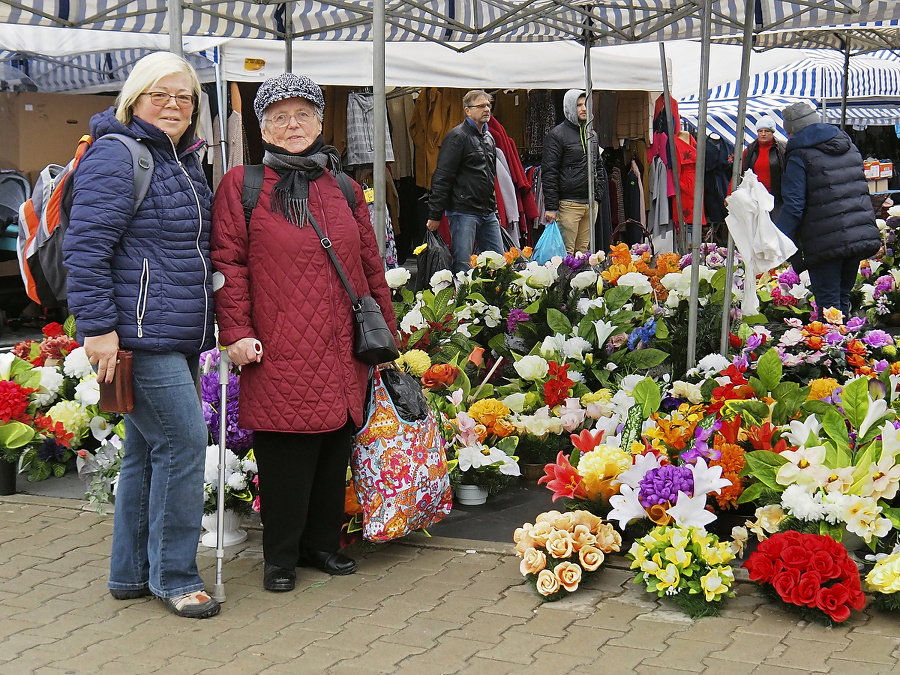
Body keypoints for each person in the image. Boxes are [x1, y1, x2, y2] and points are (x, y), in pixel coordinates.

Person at [210, 74, 396, 593]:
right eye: (279, 117)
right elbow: (229, 263)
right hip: (277, 345)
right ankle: (280, 558)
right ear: (263, 127)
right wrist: (236, 332)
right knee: (286, 454)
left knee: (334, 447)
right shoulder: (243, 185)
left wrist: (386, 330)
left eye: (303, 115)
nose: (292, 125)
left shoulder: (342, 186)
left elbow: (368, 262)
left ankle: (322, 546)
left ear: (319, 121)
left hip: (341, 346)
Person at [62, 52, 219, 619]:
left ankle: (130, 575)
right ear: (134, 99)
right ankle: (175, 576)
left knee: (146, 455)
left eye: (185, 97)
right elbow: (86, 250)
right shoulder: (117, 155)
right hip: (136, 336)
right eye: (162, 94)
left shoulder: (181, 161)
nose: (174, 105)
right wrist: (99, 329)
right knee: (183, 444)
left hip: (171, 331)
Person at [777, 100, 881, 316]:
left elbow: (794, 205)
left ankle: (835, 348)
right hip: (858, 232)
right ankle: (847, 347)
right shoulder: (848, 145)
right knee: (842, 298)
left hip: (824, 240)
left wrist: (779, 239)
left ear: (792, 131)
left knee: (829, 304)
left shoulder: (799, 154)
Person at [426, 89, 504, 273]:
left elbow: (490, 176)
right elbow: (443, 176)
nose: (486, 109)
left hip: (487, 211)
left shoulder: (488, 137)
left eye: (488, 105)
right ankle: (461, 300)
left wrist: (494, 208)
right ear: (467, 110)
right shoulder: (457, 137)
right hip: (463, 211)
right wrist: (435, 214)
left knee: (498, 262)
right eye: (481, 106)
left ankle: (494, 300)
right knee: (463, 265)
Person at [541, 89, 601, 254]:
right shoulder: (557, 135)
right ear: (569, 107)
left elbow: (598, 166)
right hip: (569, 204)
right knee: (566, 255)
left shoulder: (592, 135)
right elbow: (549, 172)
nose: (583, 109)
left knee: (583, 253)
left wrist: (598, 197)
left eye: (586, 104)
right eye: (578, 105)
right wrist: (551, 207)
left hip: (590, 204)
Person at [741, 115, 786, 213]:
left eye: (767, 131)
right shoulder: (749, 151)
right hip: (755, 198)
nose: (763, 134)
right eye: (760, 131)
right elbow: (739, 172)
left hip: (777, 199)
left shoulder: (782, 149)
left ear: (772, 132)